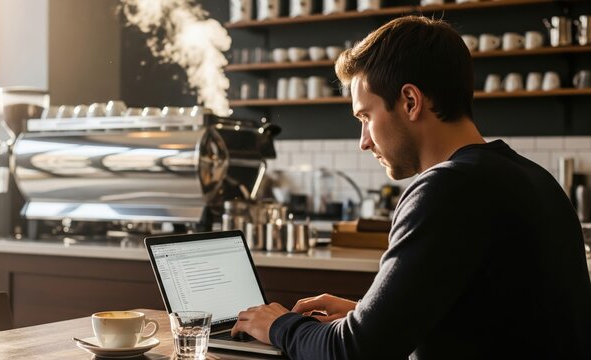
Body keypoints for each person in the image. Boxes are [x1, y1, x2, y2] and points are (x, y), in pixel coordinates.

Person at [231, 15, 591, 359]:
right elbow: (491, 322)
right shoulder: (533, 177)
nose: (364, 141)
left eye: (366, 117)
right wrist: (368, 315)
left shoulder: (447, 188)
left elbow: (354, 352)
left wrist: (281, 325)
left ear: (410, 102)